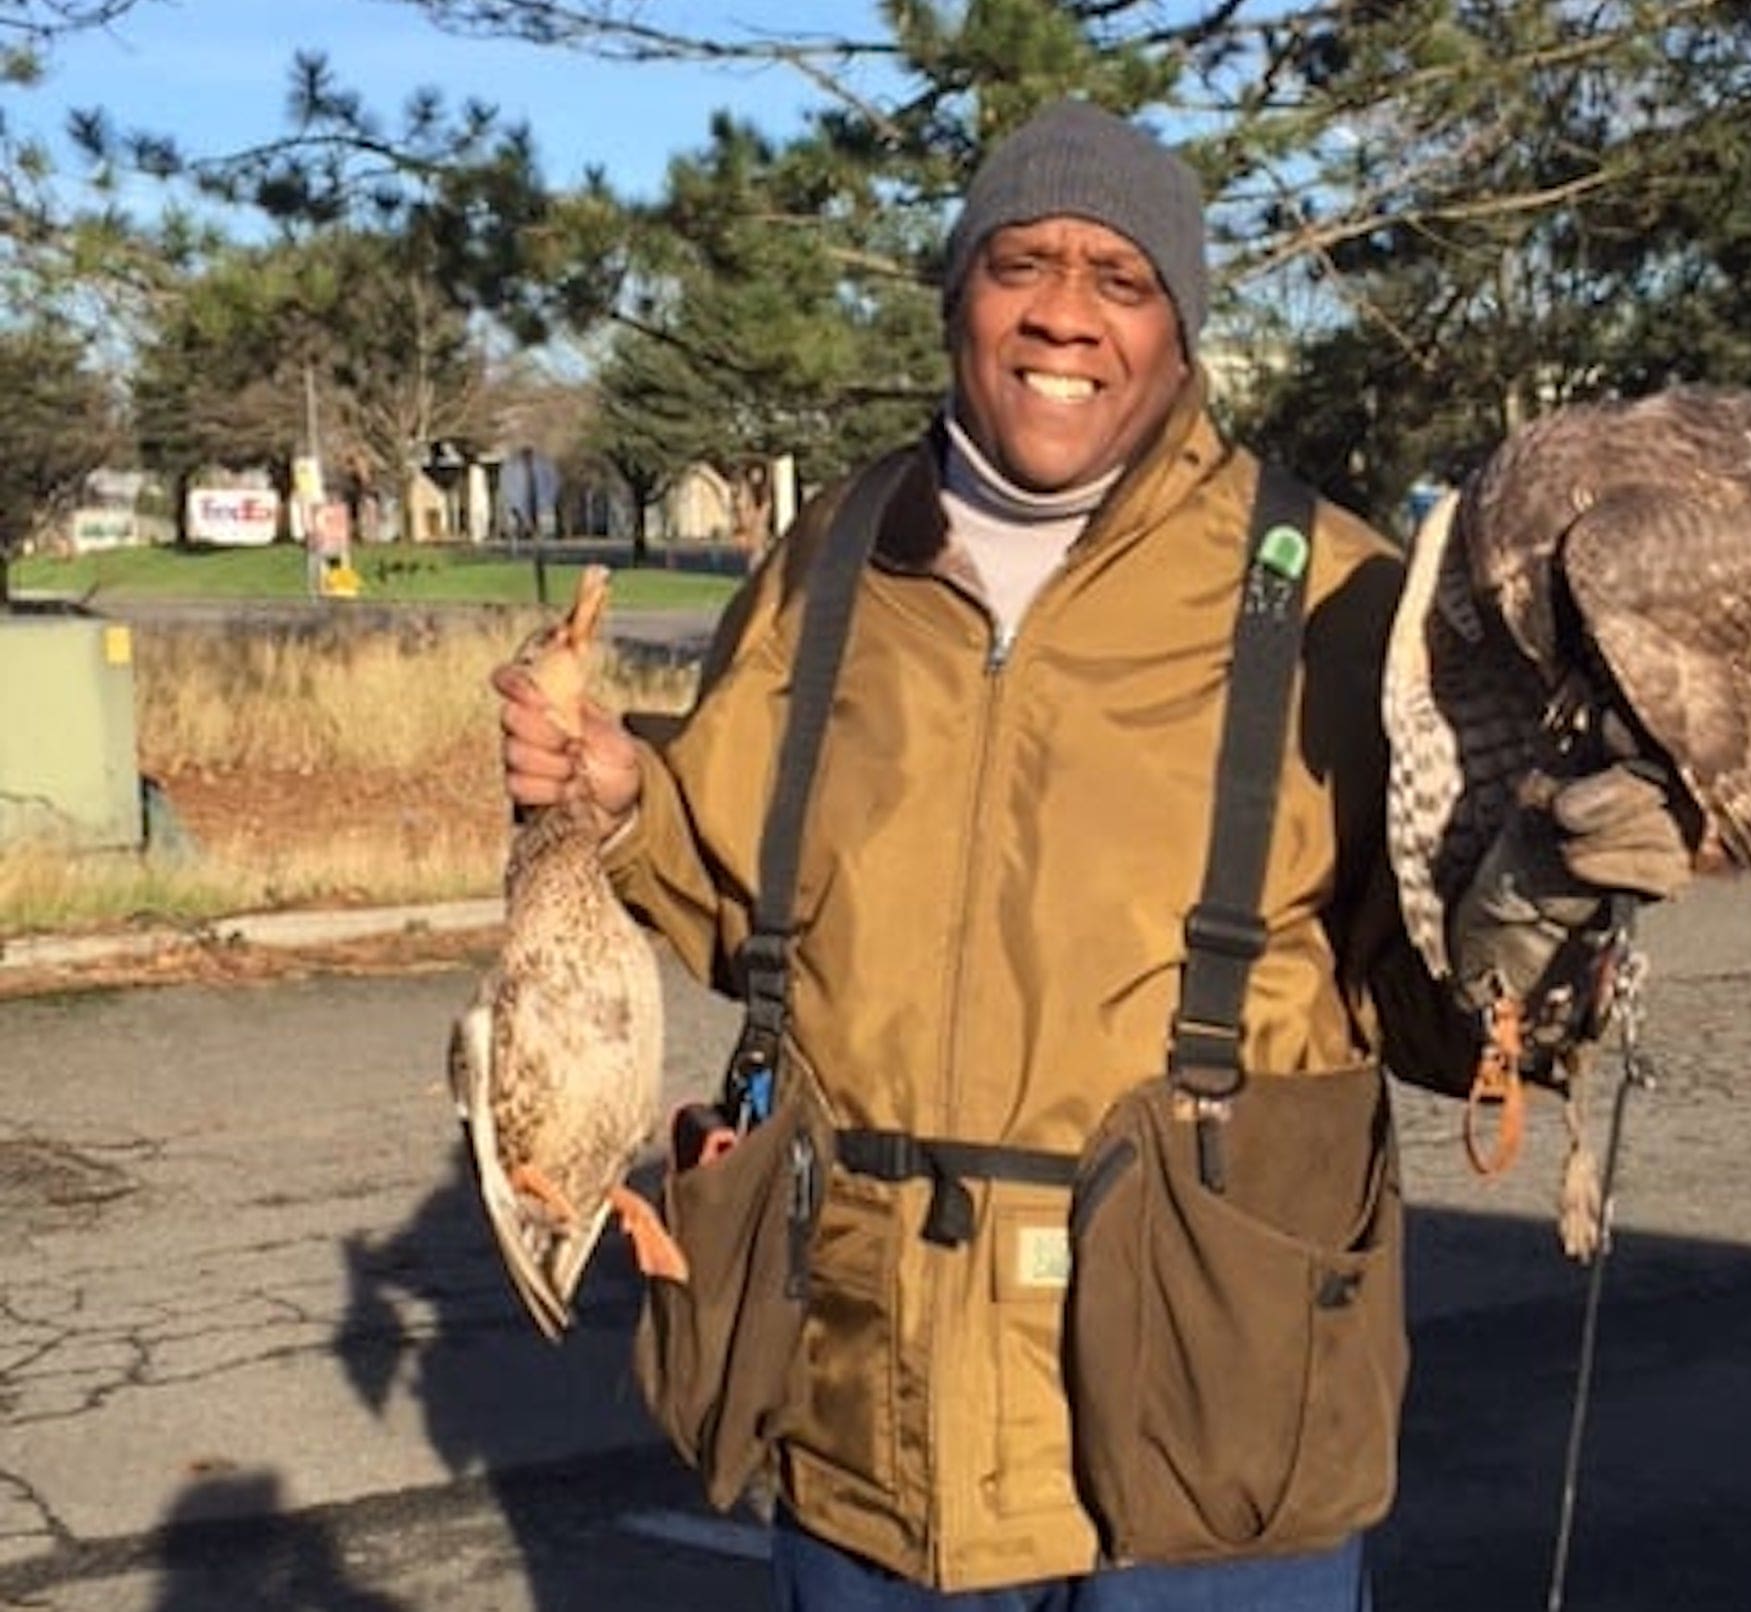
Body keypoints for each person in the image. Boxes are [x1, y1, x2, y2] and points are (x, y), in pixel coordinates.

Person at [494, 98, 1687, 1610]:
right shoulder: (832, 562)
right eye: (1022, 265)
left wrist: (1553, 897)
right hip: (866, 1427)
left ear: (1182, 333)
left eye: (1121, 280)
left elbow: (1453, 1007)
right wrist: (621, 798)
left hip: (1206, 1446)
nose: (1066, 313)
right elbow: (759, 924)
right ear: (957, 301)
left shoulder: (1336, 594)